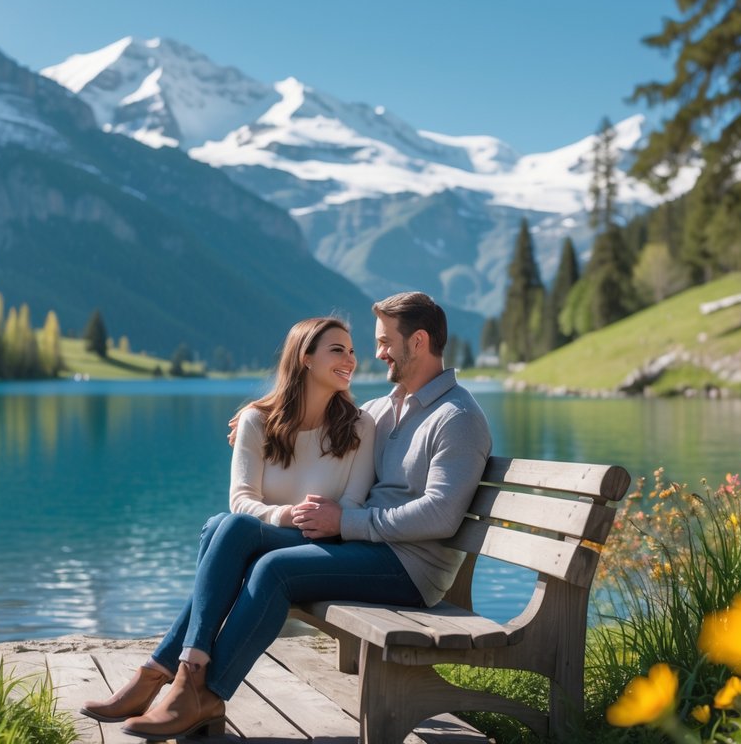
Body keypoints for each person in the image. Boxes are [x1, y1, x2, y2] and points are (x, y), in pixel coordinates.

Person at [116, 291, 492, 741]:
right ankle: (176, 673)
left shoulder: (457, 417)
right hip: (365, 548)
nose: (376, 353)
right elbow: (315, 416)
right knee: (228, 527)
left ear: (418, 342)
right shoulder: (385, 409)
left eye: (385, 342)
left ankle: (204, 692)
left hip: (411, 568)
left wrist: (346, 523)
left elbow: (442, 515)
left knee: (273, 569)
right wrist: (257, 417)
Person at [80, 316, 376, 734]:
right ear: (305, 358)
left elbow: (353, 502)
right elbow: (242, 501)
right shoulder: (256, 420)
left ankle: (168, 670)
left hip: (321, 547)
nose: (351, 359)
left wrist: (324, 520)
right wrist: (285, 515)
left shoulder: (361, 426)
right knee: (227, 523)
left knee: (224, 528)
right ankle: (186, 682)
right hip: (267, 536)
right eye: (337, 350)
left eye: (352, 350)